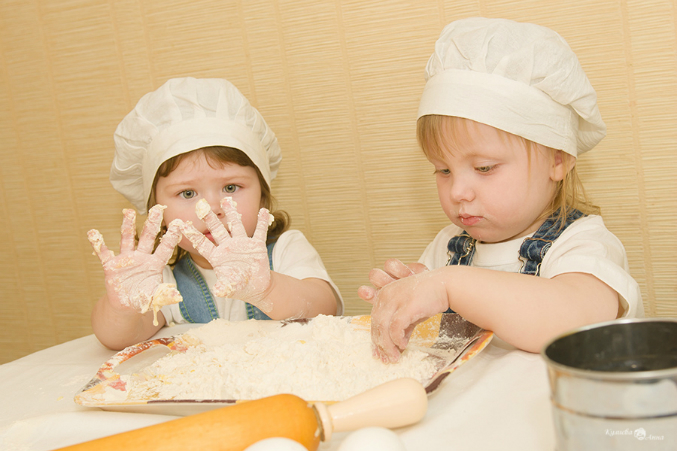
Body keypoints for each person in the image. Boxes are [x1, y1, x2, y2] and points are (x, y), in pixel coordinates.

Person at [359, 17, 644, 363]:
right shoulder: (446, 248)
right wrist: (415, 304)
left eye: (484, 168)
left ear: (557, 159)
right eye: (444, 170)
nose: (458, 191)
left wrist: (449, 286)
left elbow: (571, 323)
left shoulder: (583, 246)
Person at [89, 77, 342, 350]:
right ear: (158, 213)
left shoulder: (285, 251)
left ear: (263, 196)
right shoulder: (164, 283)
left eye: (231, 187)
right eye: (187, 193)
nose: (211, 208)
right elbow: (118, 339)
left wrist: (269, 288)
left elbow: (325, 308)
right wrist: (122, 308)